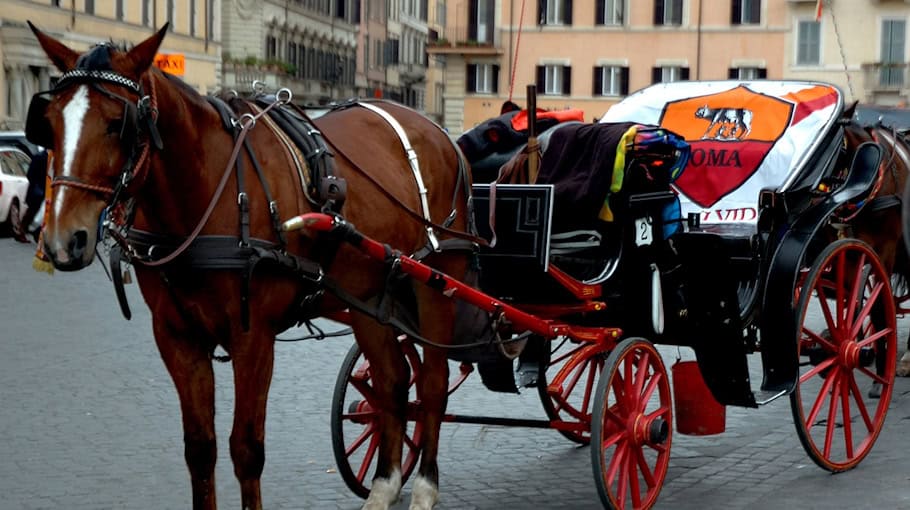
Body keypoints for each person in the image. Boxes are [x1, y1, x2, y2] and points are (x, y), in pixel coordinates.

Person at [14, 148, 48, 243]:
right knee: (33, 212)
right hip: (39, 190)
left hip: (40, 189)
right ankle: (21, 232)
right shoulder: (42, 157)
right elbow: (30, 174)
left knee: (35, 213)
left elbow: (30, 174)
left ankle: (27, 232)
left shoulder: (41, 157)